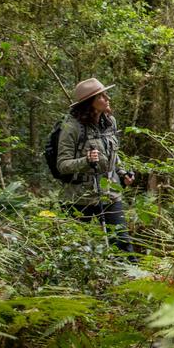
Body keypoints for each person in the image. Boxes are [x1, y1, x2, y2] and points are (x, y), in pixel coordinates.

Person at [56, 78, 135, 252]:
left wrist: (122, 173)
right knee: (75, 249)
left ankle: (129, 276)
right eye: (101, 96)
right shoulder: (72, 128)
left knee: (122, 243)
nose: (107, 98)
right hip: (78, 197)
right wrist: (86, 161)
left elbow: (113, 154)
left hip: (109, 193)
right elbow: (62, 164)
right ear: (89, 103)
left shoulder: (109, 122)